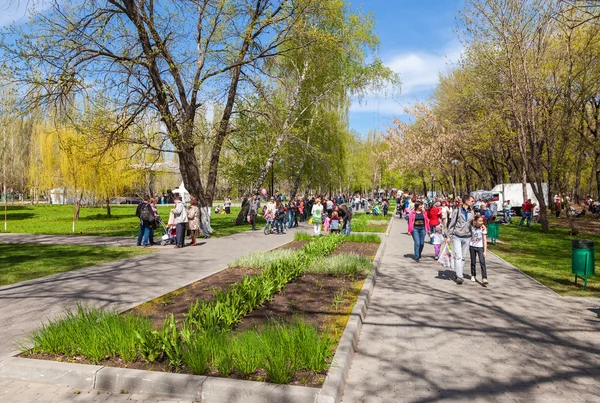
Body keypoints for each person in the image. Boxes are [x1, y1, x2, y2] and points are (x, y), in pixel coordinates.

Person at [448, 194, 475, 284]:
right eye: (472, 201)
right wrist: (449, 236)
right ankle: (459, 276)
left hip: (467, 237)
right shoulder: (457, 211)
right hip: (457, 236)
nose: (473, 202)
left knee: (463, 257)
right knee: (458, 256)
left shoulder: (472, 212)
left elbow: (473, 224)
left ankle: (458, 272)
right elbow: (452, 223)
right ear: (467, 201)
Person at [469, 214, 488, 284]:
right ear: (476, 221)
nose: (481, 222)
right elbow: (469, 222)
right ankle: (473, 275)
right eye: (479, 221)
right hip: (472, 246)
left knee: (482, 262)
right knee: (473, 262)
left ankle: (484, 278)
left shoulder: (483, 228)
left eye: (482, 221)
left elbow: (485, 240)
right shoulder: (472, 227)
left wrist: (485, 251)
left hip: (480, 247)